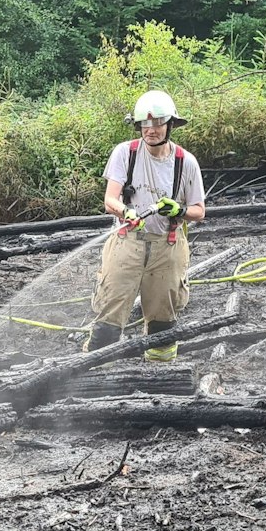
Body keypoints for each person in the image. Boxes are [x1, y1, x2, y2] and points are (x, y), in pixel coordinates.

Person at [86, 90, 207, 361]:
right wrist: (126, 212)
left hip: (168, 245)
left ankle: (159, 371)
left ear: (171, 125)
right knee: (111, 306)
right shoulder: (125, 153)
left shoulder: (185, 163)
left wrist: (180, 210)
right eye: (145, 124)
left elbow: (199, 211)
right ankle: (95, 365)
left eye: (157, 124)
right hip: (127, 242)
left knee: (163, 314)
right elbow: (109, 199)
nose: (150, 130)